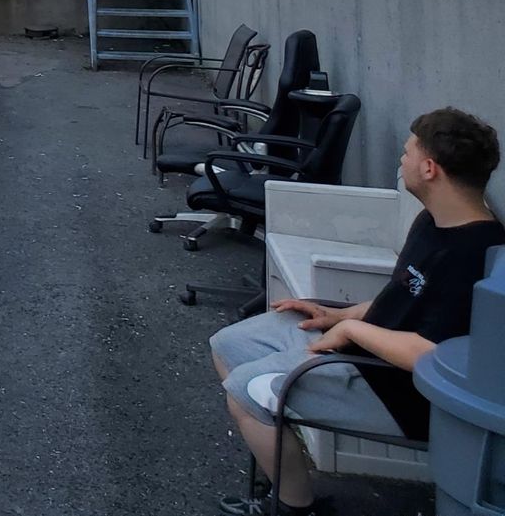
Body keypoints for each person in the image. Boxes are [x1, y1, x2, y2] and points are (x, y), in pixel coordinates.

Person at [207, 107, 503, 515]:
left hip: (398, 393)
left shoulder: (477, 255)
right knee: (228, 344)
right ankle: (279, 460)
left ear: (430, 169)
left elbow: (430, 354)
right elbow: (400, 298)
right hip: (363, 356)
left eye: (408, 152)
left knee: (245, 390)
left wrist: (351, 332)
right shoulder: (432, 222)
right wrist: (338, 316)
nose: (402, 161)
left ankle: (294, 506)